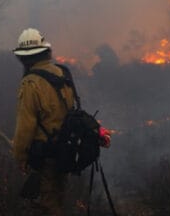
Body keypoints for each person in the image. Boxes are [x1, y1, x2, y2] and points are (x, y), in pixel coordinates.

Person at [11, 28, 110, 216]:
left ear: (24, 57)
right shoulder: (61, 72)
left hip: (44, 157)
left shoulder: (30, 83)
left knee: (47, 205)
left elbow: (26, 126)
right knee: (57, 198)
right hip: (65, 152)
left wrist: (20, 156)